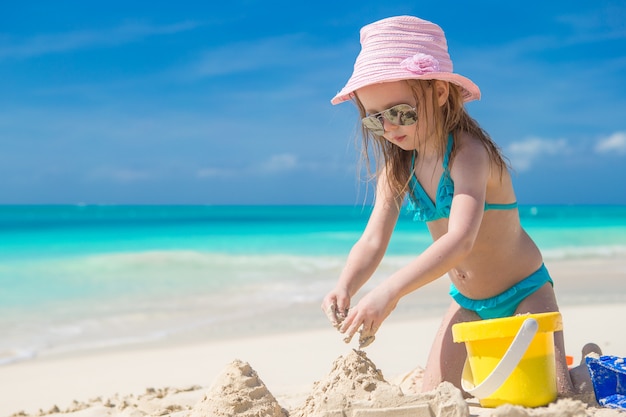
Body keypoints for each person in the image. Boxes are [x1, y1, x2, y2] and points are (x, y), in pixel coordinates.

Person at [321, 15, 590, 397]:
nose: (391, 129)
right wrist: (344, 285)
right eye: (375, 121)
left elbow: (461, 239)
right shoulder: (397, 169)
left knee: (553, 395)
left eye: (399, 113)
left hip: (526, 293)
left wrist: (389, 292)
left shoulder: (468, 155)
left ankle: (583, 372)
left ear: (440, 92)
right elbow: (371, 242)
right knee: (439, 394)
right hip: (467, 303)